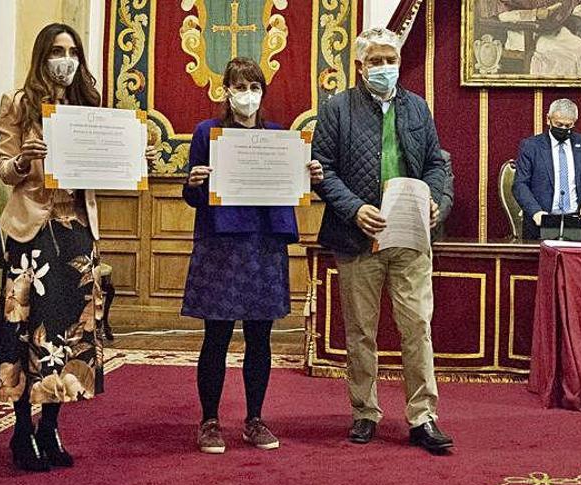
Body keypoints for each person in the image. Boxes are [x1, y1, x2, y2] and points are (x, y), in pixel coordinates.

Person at [0, 23, 156, 472]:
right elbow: (3, 166)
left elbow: (105, 167)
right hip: (32, 230)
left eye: (72, 51)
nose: (65, 59)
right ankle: (21, 430)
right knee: (28, 332)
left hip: (77, 230)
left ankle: (50, 425)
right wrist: (24, 160)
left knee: (70, 333)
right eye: (57, 51)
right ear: (42, 55)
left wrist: (133, 160)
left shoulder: (88, 106)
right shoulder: (19, 102)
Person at [312, 28, 455, 454]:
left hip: (410, 237)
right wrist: (355, 208)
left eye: (389, 59)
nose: (384, 67)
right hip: (358, 236)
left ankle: (423, 417)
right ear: (359, 66)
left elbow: (436, 163)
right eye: (375, 60)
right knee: (360, 331)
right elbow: (322, 169)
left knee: (417, 327)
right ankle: (364, 412)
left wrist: (436, 200)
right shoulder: (337, 109)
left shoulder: (417, 107)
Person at [181, 57, 324, 455]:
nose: (247, 95)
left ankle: (254, 419)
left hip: (264, 245)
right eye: (239, 87)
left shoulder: (280, 137)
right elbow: (193, 194)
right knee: (217, 336)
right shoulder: (206, 133)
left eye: (254, 87)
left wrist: (309, 176)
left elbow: (296, 190)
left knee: (260, 337)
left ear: (263, 92)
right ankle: (210, 421)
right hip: (221, 245)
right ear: (225, 91)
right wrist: (192, 182)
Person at [512, 98, 581, 240]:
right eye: (558, 124)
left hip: (577, 222)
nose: (563, 129)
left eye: (568, 126)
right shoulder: (531, 146)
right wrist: (535, 212)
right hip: (542, 222)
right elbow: (520, 185)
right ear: (548, 119)